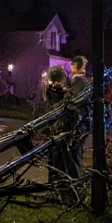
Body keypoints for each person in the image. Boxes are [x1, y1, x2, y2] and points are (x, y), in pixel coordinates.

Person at [43, 65, 75, 194]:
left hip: (53, 126)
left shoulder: (49, 90)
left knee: (54, 157)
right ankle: (62, 186)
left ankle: (53, 184)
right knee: (62, 157)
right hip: (61, 126)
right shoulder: (62, 92)